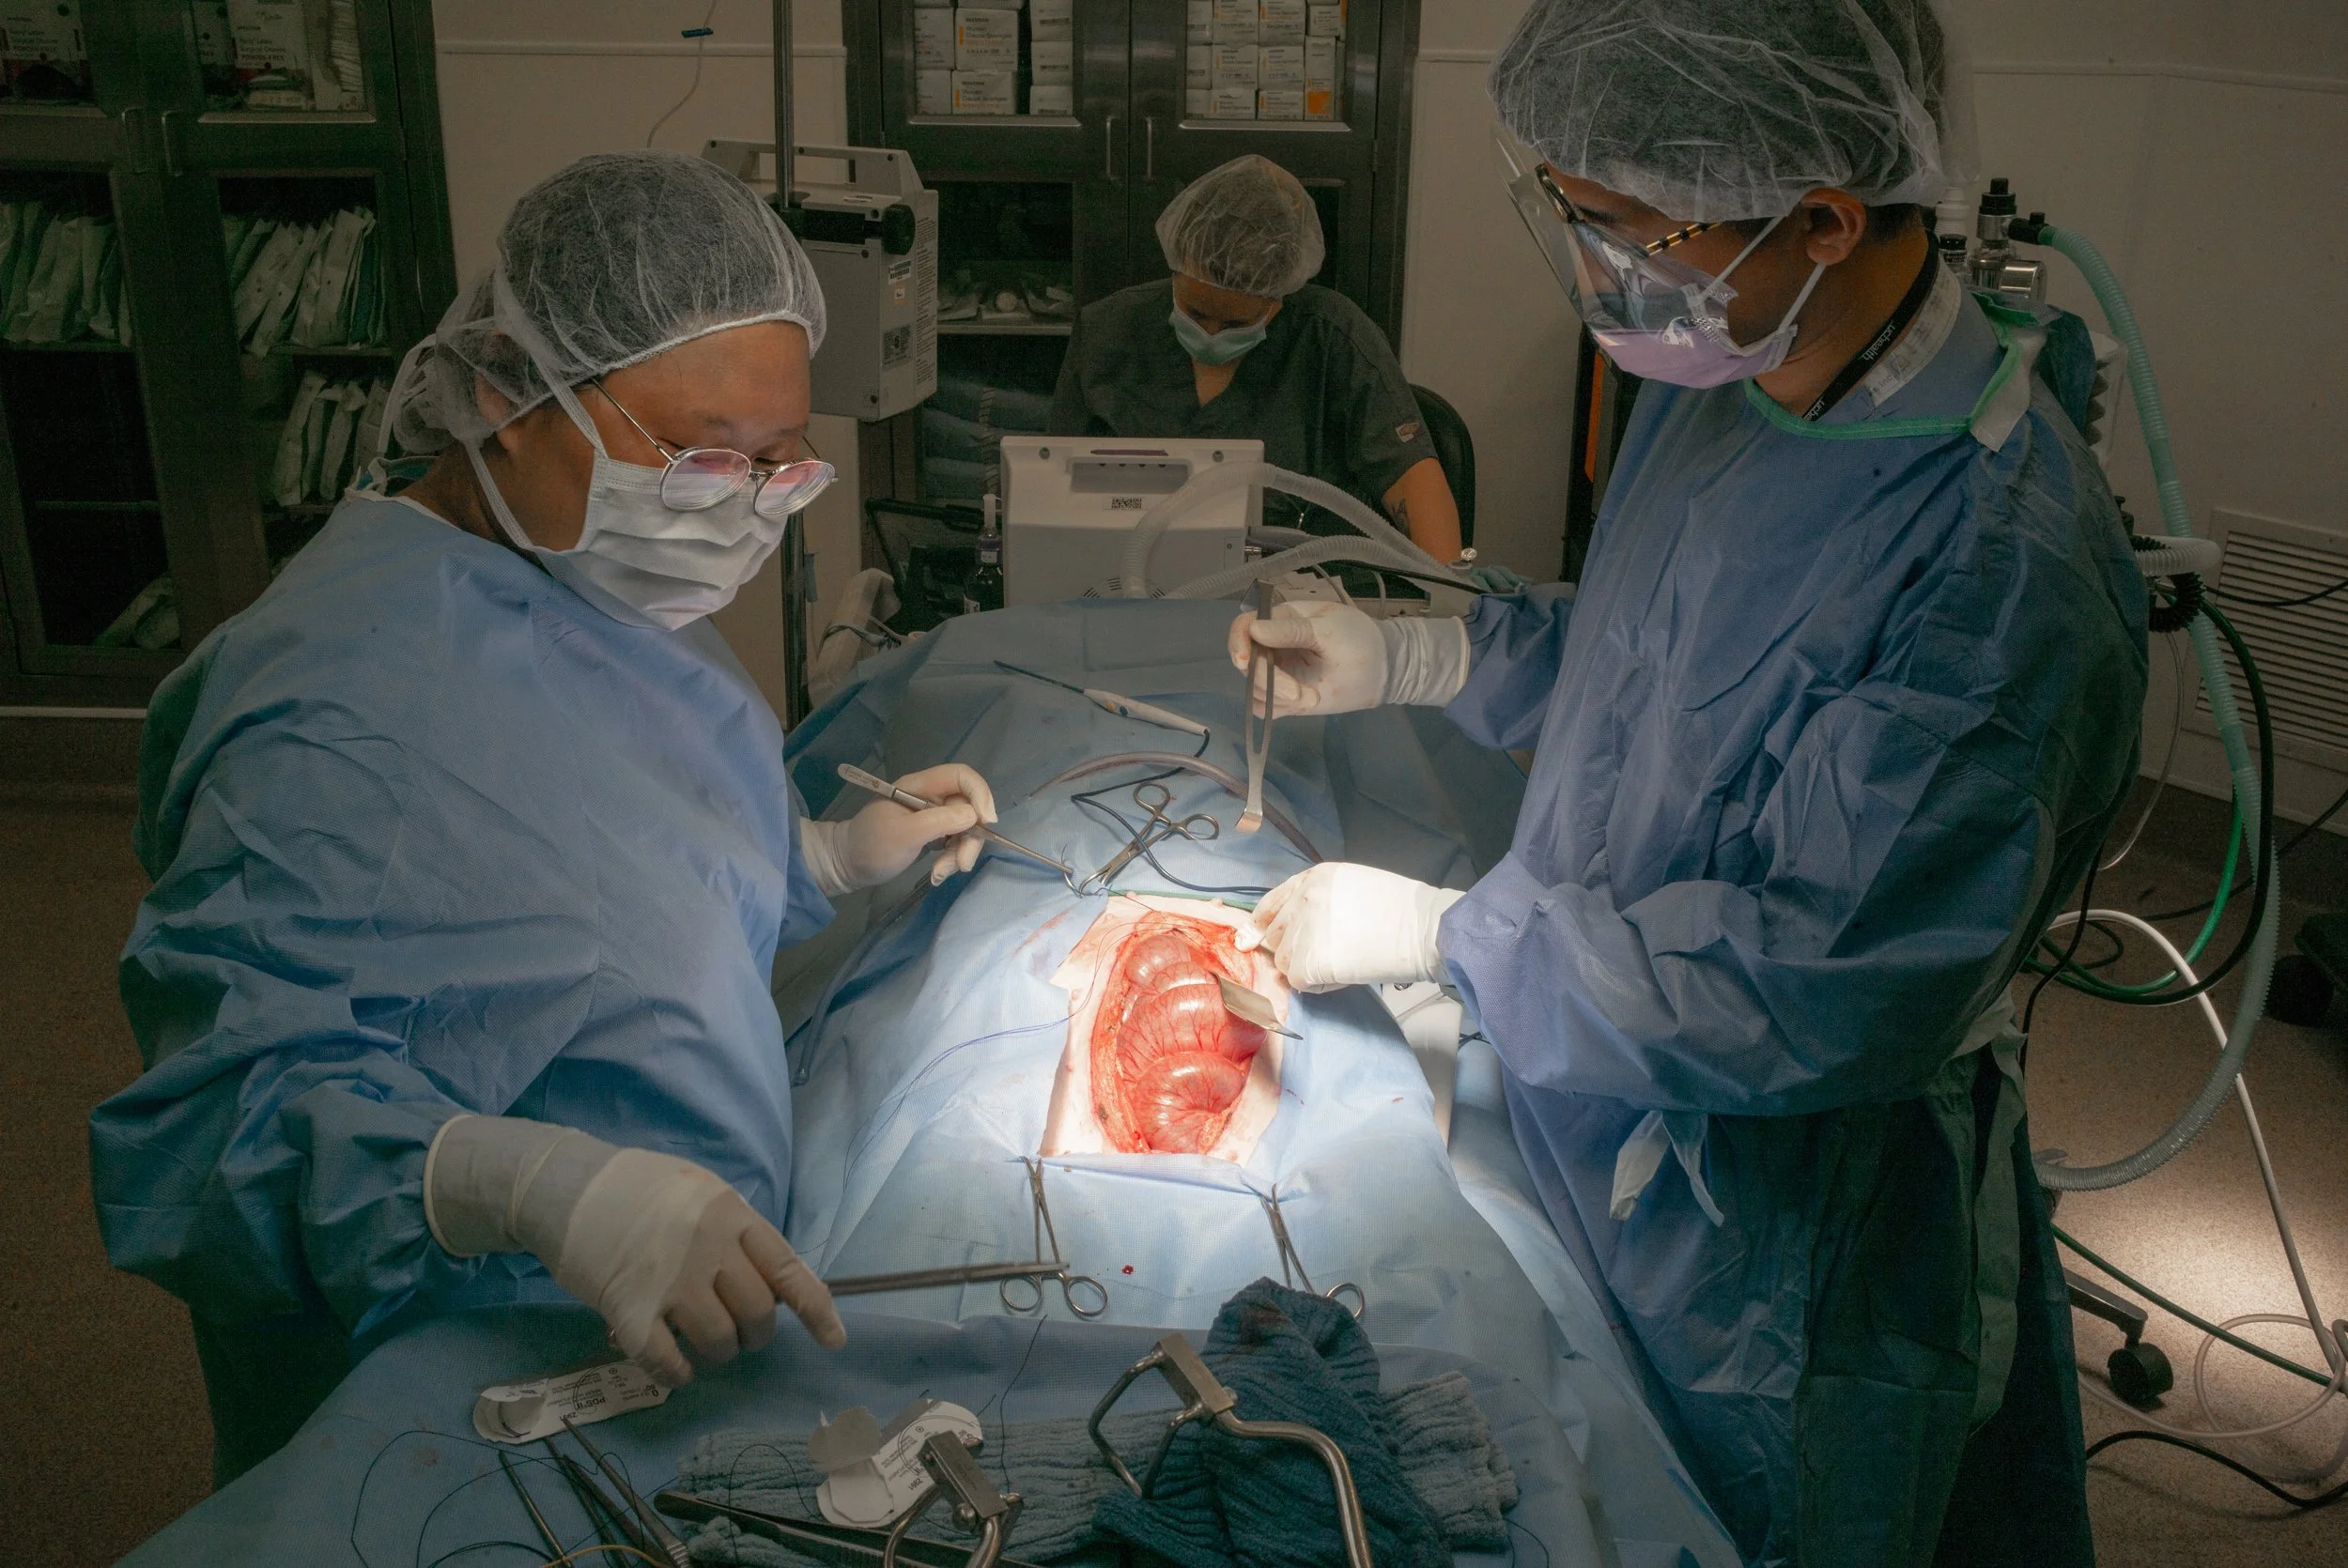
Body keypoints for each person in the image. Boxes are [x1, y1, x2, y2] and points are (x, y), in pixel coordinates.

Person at [1229, 3, 2146, 1564]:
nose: (1597, 269)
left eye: (1619, 225)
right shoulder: (1730, 372)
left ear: (1821, 219)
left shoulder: (1993, 564)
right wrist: (1431, 656)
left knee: (1741, 1518)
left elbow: (1813, 983)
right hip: (1605, 1086)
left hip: (1786, 1221)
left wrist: (1457, 940)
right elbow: (1665, 653)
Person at [89, 150, 1002, 1483]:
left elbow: (621, 872)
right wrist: (527, 1186)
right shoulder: (332, 713)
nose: (741, 505)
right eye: (699, 454)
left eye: (782, 462)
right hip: (460, 1373)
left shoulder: (604, 593)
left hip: (683, 1327)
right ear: (509, 399)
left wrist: (814, 858)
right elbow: (211, 1138)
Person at [1050, 154, 1464, 562]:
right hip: (1130, 579)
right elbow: (1048, 483)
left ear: (1280, 295)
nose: (1210, 335)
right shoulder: (1109, 331)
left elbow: (1412, 482)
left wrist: (1450, 602)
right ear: (1176, 265)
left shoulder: (1332, 339)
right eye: (1195, 313)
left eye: (1235, 322)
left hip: (1297, 593)